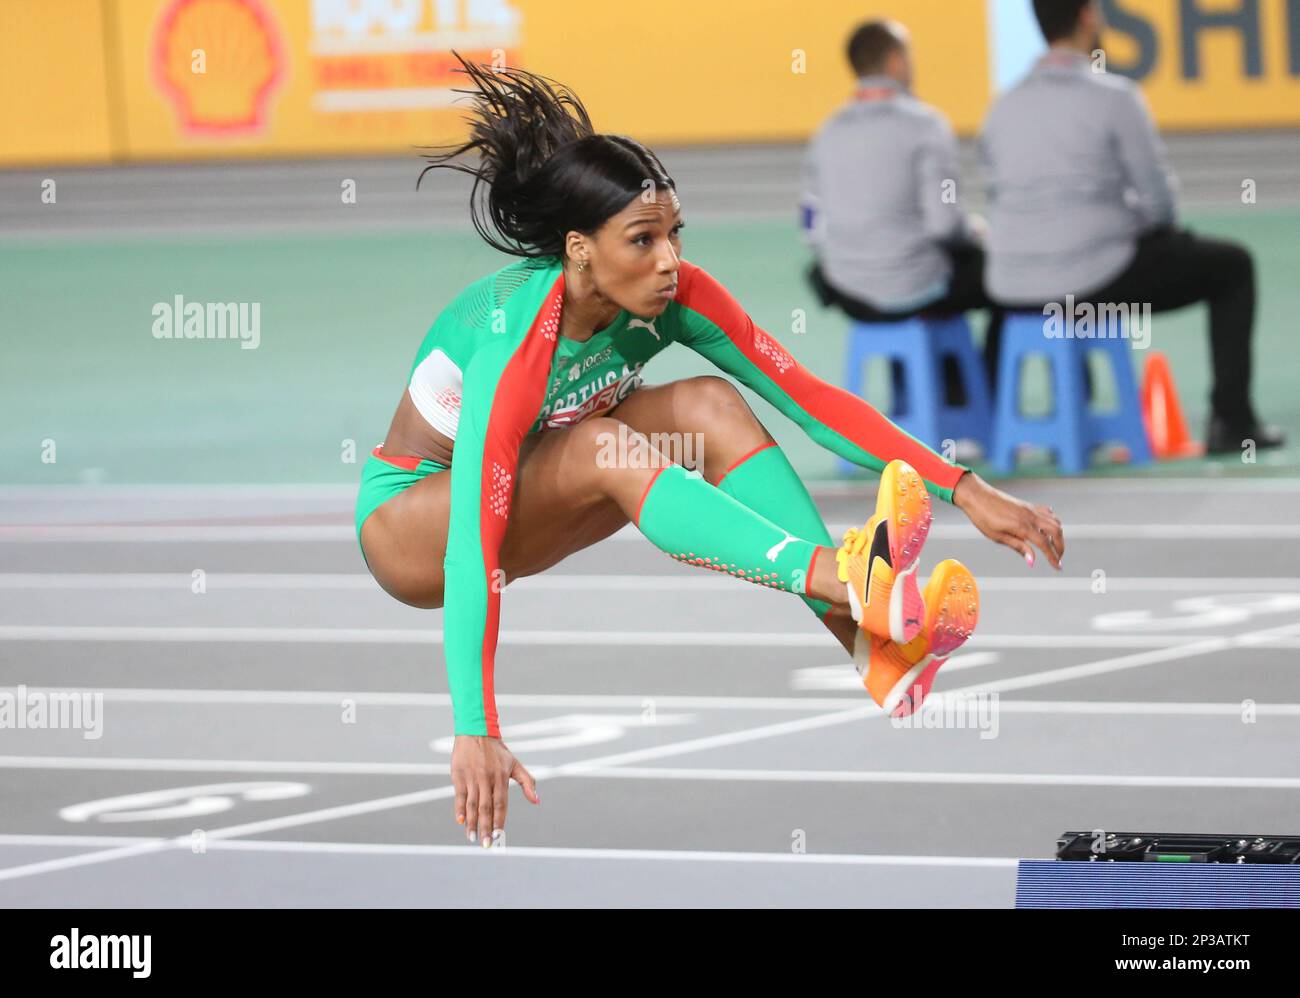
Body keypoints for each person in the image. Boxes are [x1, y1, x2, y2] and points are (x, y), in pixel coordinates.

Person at [356, 52, 1065, 847]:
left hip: (543, 485)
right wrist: (475, 723)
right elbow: (471, 549)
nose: (669, 260)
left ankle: (868, 646)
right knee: (598, 442)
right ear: (579, 248)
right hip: (418, 529)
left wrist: (963, 486)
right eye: (643, 239)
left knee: (710, 402)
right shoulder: (513, 342)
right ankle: (842, 577)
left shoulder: (678, 295)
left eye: (674, 233)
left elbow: (813, 402)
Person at [979, 0, 1284, 453]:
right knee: (1233, 266)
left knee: (1053, 289)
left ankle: (1012, 424)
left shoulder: (1001, 109)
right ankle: (1233, 421)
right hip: (1093, 281)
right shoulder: (1115, 97)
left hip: (1012, 286)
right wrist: (1128, 224)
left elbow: (997, 196)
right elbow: (1160, 205)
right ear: (1087, 17)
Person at [803, 19, 1003, 397]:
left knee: (922, 270)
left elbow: (811, 227)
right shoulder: (927, 126)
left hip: (850, 291)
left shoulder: (826, 133)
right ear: (895, 61)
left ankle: (915, 401)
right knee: (1006, 278)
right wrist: (974, 230)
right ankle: (978, 404)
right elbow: (944, 226)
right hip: (913, 285)